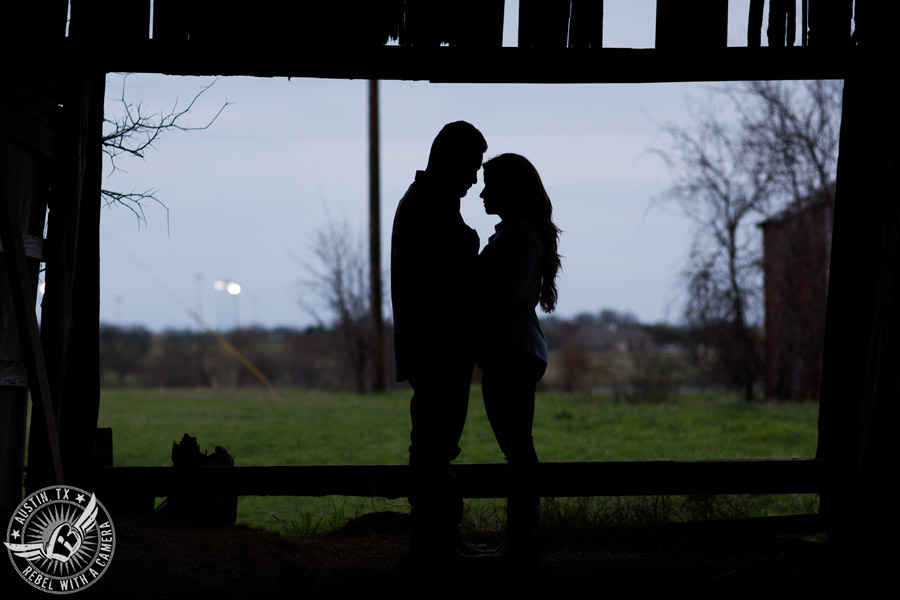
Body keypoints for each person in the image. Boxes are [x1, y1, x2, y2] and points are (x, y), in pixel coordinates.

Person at [390, 121, 488, 563]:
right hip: (437, 347)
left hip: (435, 345)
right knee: (434, 445)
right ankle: (434, 544)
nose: (474, 177)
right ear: (452, 160)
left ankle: (436, 540)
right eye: (472, 165)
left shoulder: (429, 203)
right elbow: (444, 277)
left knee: (435, 443)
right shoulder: (430, 206)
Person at [475, 153, 562, 565]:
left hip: (511, 351)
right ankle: (522, 538)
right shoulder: (519, 233)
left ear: (511, 190)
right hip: (511, 350)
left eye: (490, 184)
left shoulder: (519, 236)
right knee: (517, 449)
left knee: (518, 451)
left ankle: (524, 540)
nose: (482, 191)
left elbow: (506, 295)